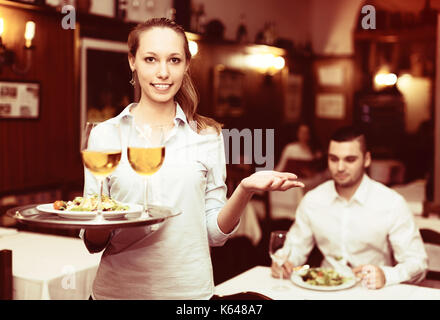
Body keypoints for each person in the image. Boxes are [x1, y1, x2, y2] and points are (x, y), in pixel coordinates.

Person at [80, 18, 304, 300]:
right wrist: (100, 218)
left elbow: (214, 234)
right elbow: (93, 242)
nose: (163, 72)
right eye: (150, 59)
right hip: (116, 294)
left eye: (174, 60)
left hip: (190, 295)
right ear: (132, 61)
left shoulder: (207, 136)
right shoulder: (105, 135)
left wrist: (245, 189)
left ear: (186, 65)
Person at [271, 126, 428, 289]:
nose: (340, 167)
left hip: (373, 292)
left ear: (366, 159)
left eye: (350, 159)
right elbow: (295, 248)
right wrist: (284, 262)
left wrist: (386, 275)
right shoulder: (312, 200)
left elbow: (417, 262)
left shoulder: (391, 203)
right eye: (333, 159)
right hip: (324, 291)